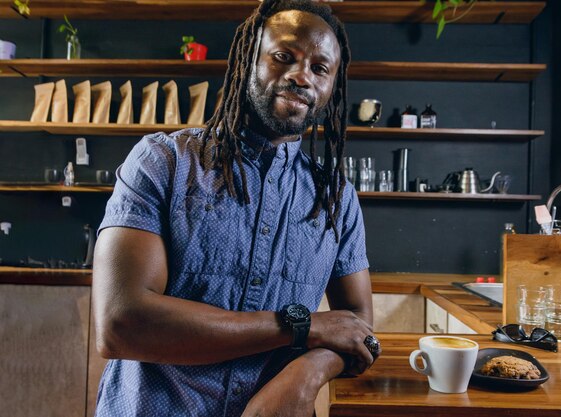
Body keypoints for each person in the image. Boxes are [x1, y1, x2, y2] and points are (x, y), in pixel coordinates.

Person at [92, 1, 380, 416]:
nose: (302, 76)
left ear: (332, 86)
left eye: (320, 68)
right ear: (248, 59)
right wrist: (301, 326)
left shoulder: (334, 195)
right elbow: (121, 324)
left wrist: (307, 376)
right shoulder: (164, 162)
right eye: (284, 57)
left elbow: (357, 323)